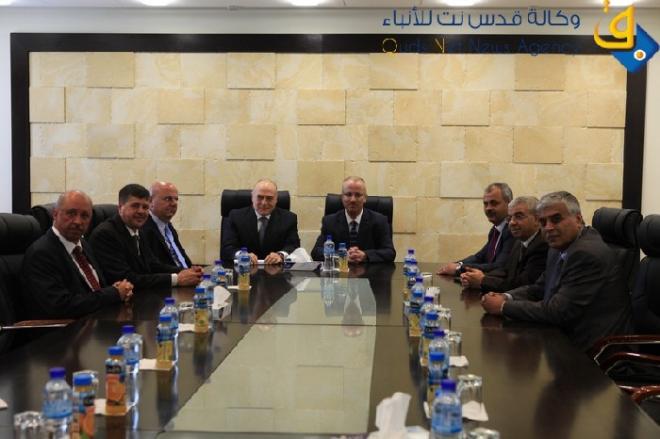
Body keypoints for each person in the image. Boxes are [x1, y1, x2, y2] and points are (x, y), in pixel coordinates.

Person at [481, 191, 632, 351]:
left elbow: (557, 311)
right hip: (562, 338)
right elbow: (539, 288)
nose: (548, 227)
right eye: (543, 222)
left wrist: (504, 306)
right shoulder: (557, 247)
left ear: (578, 219)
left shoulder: (586, 253)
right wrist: (506, 296)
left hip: (593, 350)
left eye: (556, 219)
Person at [21, 190, 134, 319]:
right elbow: (60, 306)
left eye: (85, 216)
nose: (78, 221)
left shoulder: (83, 245)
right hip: (67, 328)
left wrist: (119, 289)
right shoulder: (41, 253)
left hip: (97, 319)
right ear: (55, 214)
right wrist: (113, 294)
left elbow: (95, 289)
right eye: (71, 213)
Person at [89, 184, 202, 290]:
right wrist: (176, 279)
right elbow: (126, 278)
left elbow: (153, 265)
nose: (141, 211)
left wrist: (186, 272)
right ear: (120, 207)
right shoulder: (105, 234)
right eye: (135, 206)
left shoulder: (139, 230)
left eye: (145, 207)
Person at [460, 196, 548, 293]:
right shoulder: (518, 242)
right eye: (509, 218)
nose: (512, 223)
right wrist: (475, 277)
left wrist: (483, 280)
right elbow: (505, 271)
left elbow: (523, 283)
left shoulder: (542, 245)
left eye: (519, 216)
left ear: (537, 219)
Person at [311, 176, 395, 263]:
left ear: (365, 198)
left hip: (369, 270)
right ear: (342, 197)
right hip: (340, 270)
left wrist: (365, 255)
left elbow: (390, 252)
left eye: (358, 195)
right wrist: (341, 256)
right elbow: (316, 252)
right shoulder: (329, 222)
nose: (353, 200)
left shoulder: (380, 221)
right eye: (348, 194)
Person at [437, 182, 514, 275]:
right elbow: (479, 257)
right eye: (485, 204)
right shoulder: (495, 230)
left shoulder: (513, 230)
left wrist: (459, 268)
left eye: (494, 203)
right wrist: (458, 264)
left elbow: (498, 266)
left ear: (509, 204)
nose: (488, 208)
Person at [221, 179, 300, 265]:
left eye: (269, 198)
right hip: (243, 268)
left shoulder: (289, 218)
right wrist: (242, 255)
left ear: (276, 199)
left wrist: (280, 255)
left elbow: (293, 245)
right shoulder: (235, 216)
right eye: (260, 197)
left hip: (276, 269)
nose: (264, 203)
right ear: (252, 197)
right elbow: (227, 248)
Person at [141, 181, 192, 268]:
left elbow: (181, 257)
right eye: (168, 199)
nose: (174, 204)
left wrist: (193, 269)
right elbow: (153, 266)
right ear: (150, 201)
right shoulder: (143, 228)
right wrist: (182, 272)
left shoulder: (168, 227)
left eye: (176, 199)